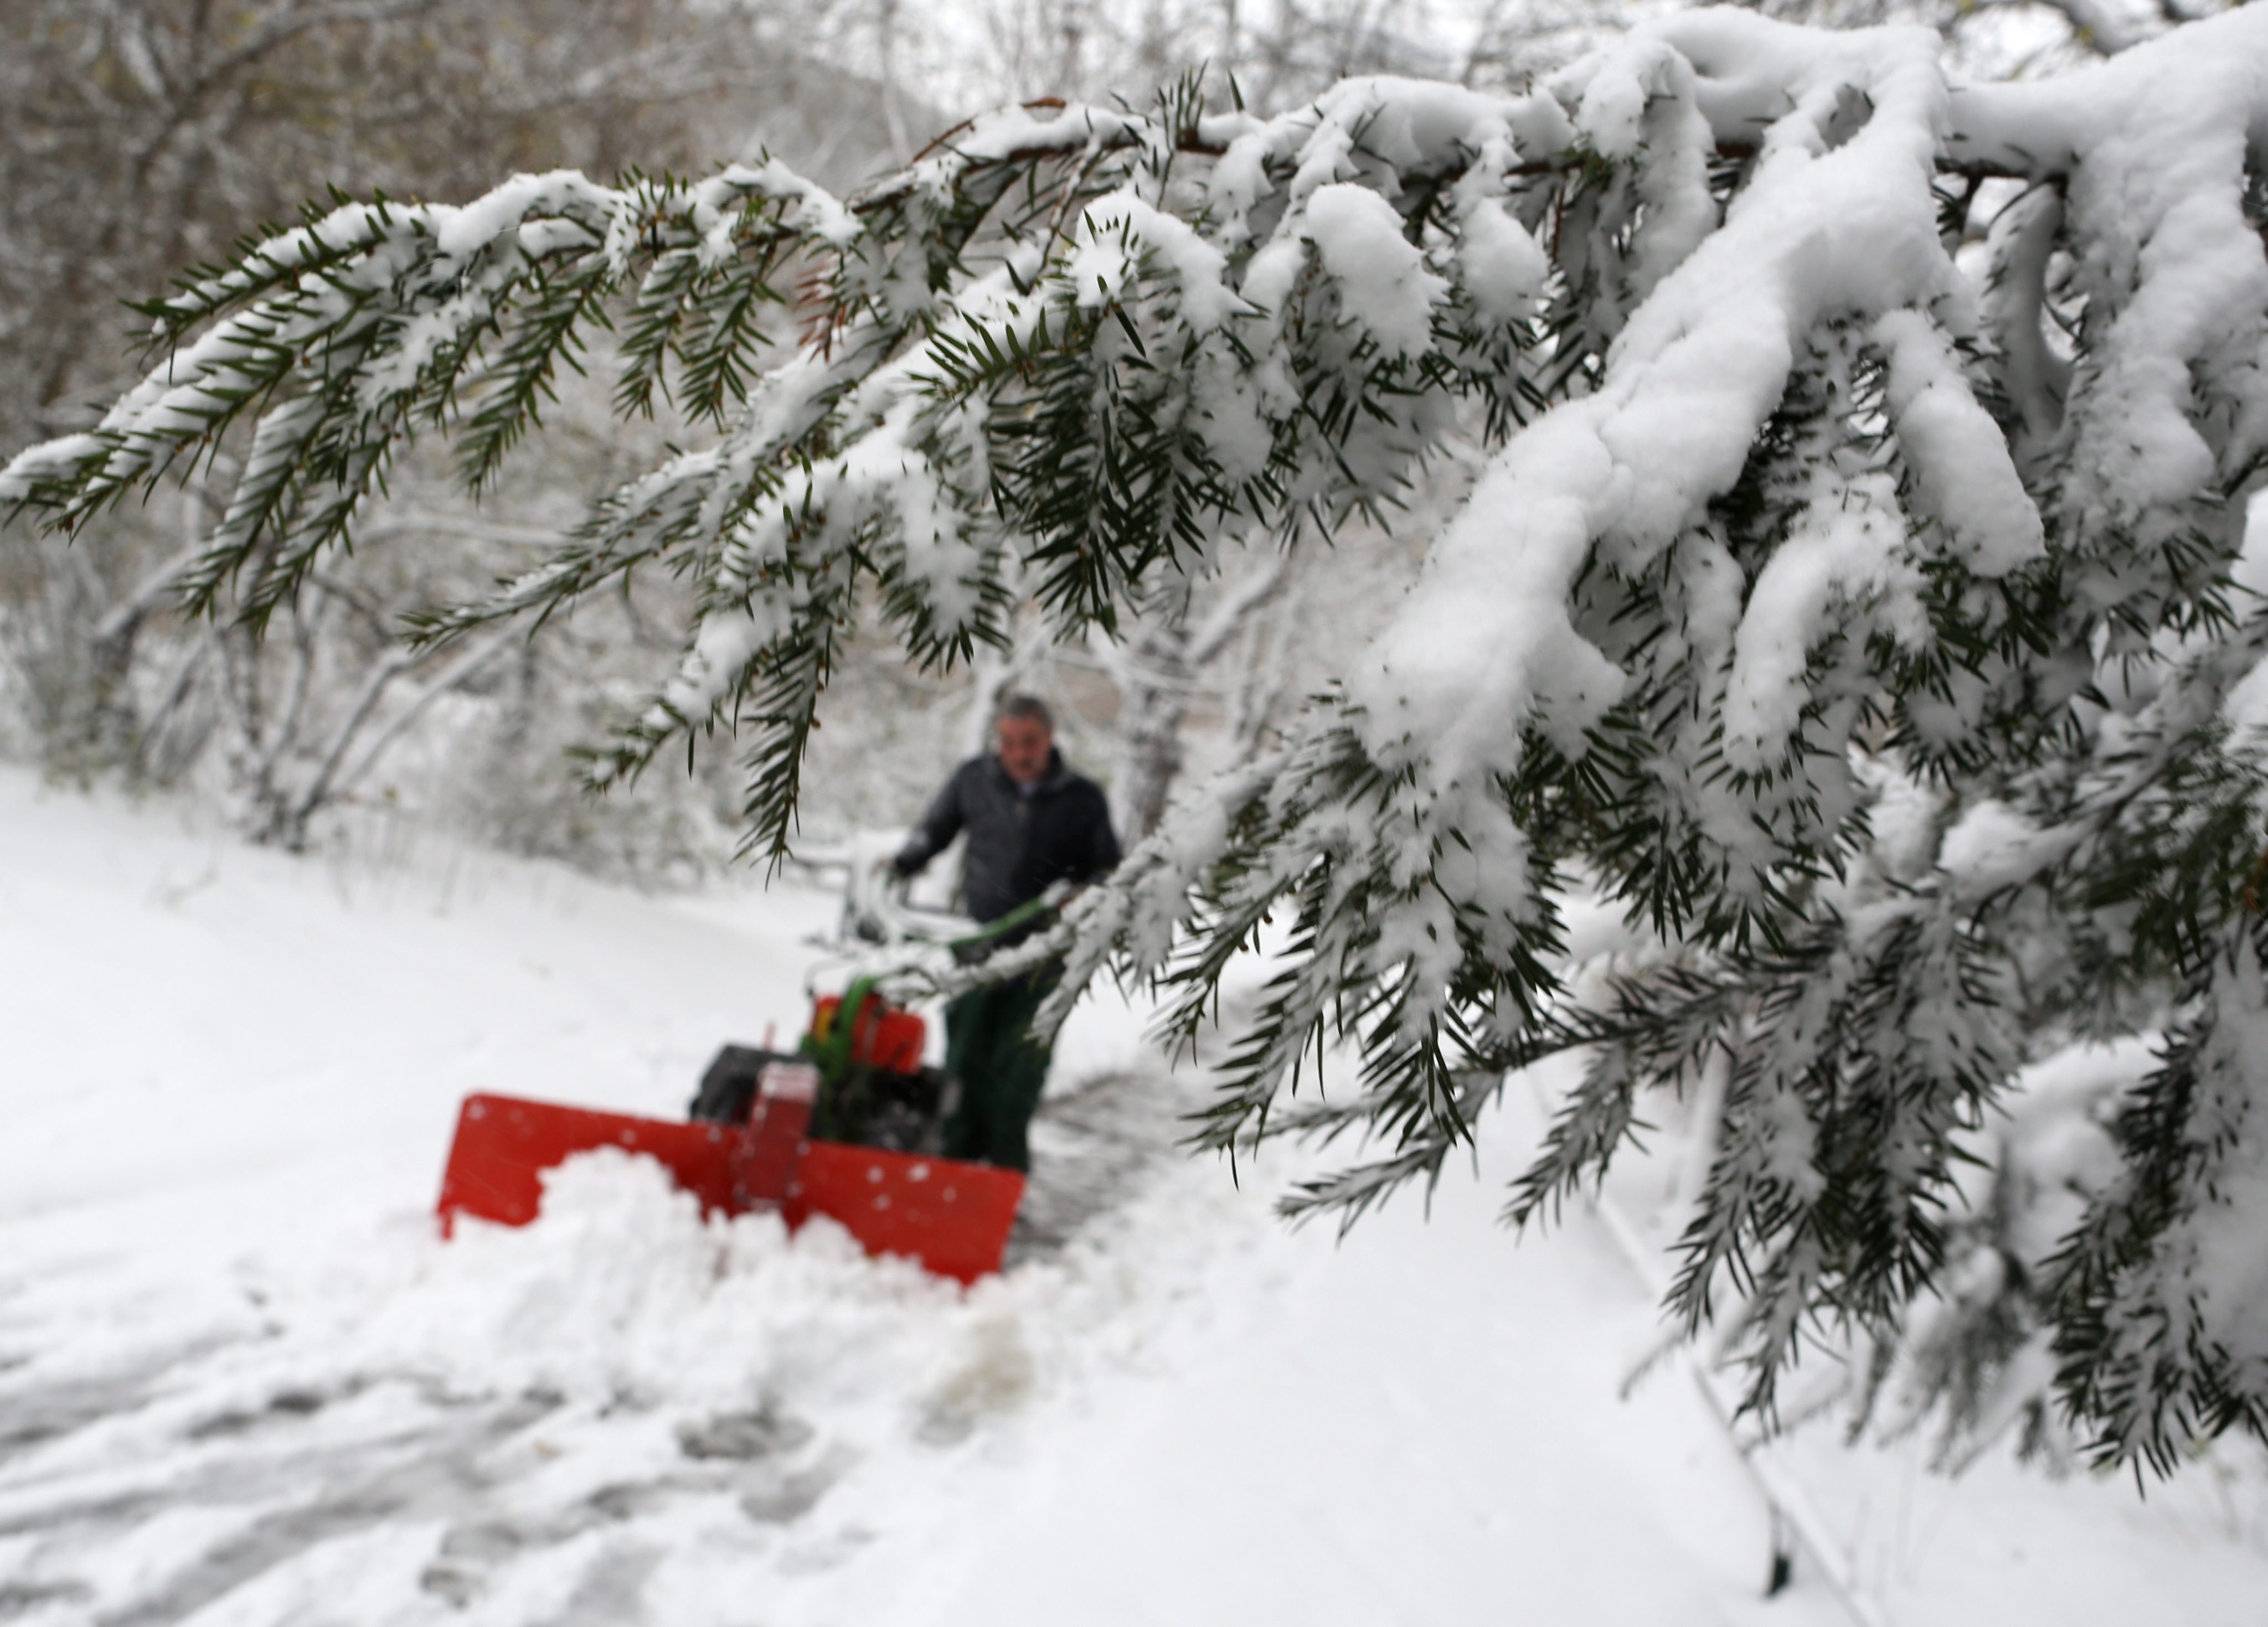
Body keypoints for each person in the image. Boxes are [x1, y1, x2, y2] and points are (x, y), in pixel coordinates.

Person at [891, 695, 1121, 1171]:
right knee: (963, 1064)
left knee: (1019, 1072)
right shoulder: (974, 780)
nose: (1019, 754)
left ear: (1050, 738)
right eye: (1009, 743)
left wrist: (1085, 892)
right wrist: (899, 864)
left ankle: (1003, 1175)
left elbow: (1110, 869)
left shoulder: (1083, 798)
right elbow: (933, 832)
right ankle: (952, 1171)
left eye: (1030, 742)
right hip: (980, 948)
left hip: (1045, 955)